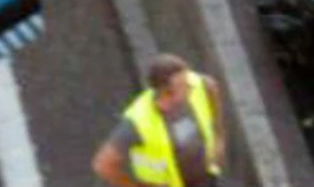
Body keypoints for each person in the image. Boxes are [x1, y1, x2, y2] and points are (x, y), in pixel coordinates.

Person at [93, 54, 227, 187]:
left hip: (206, 178)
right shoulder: (139, 121)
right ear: (168, 92)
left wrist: (219, 136)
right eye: (185, 86)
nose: (191, 86)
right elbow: (103, 164)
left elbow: (209, 84)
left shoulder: (195, 85)